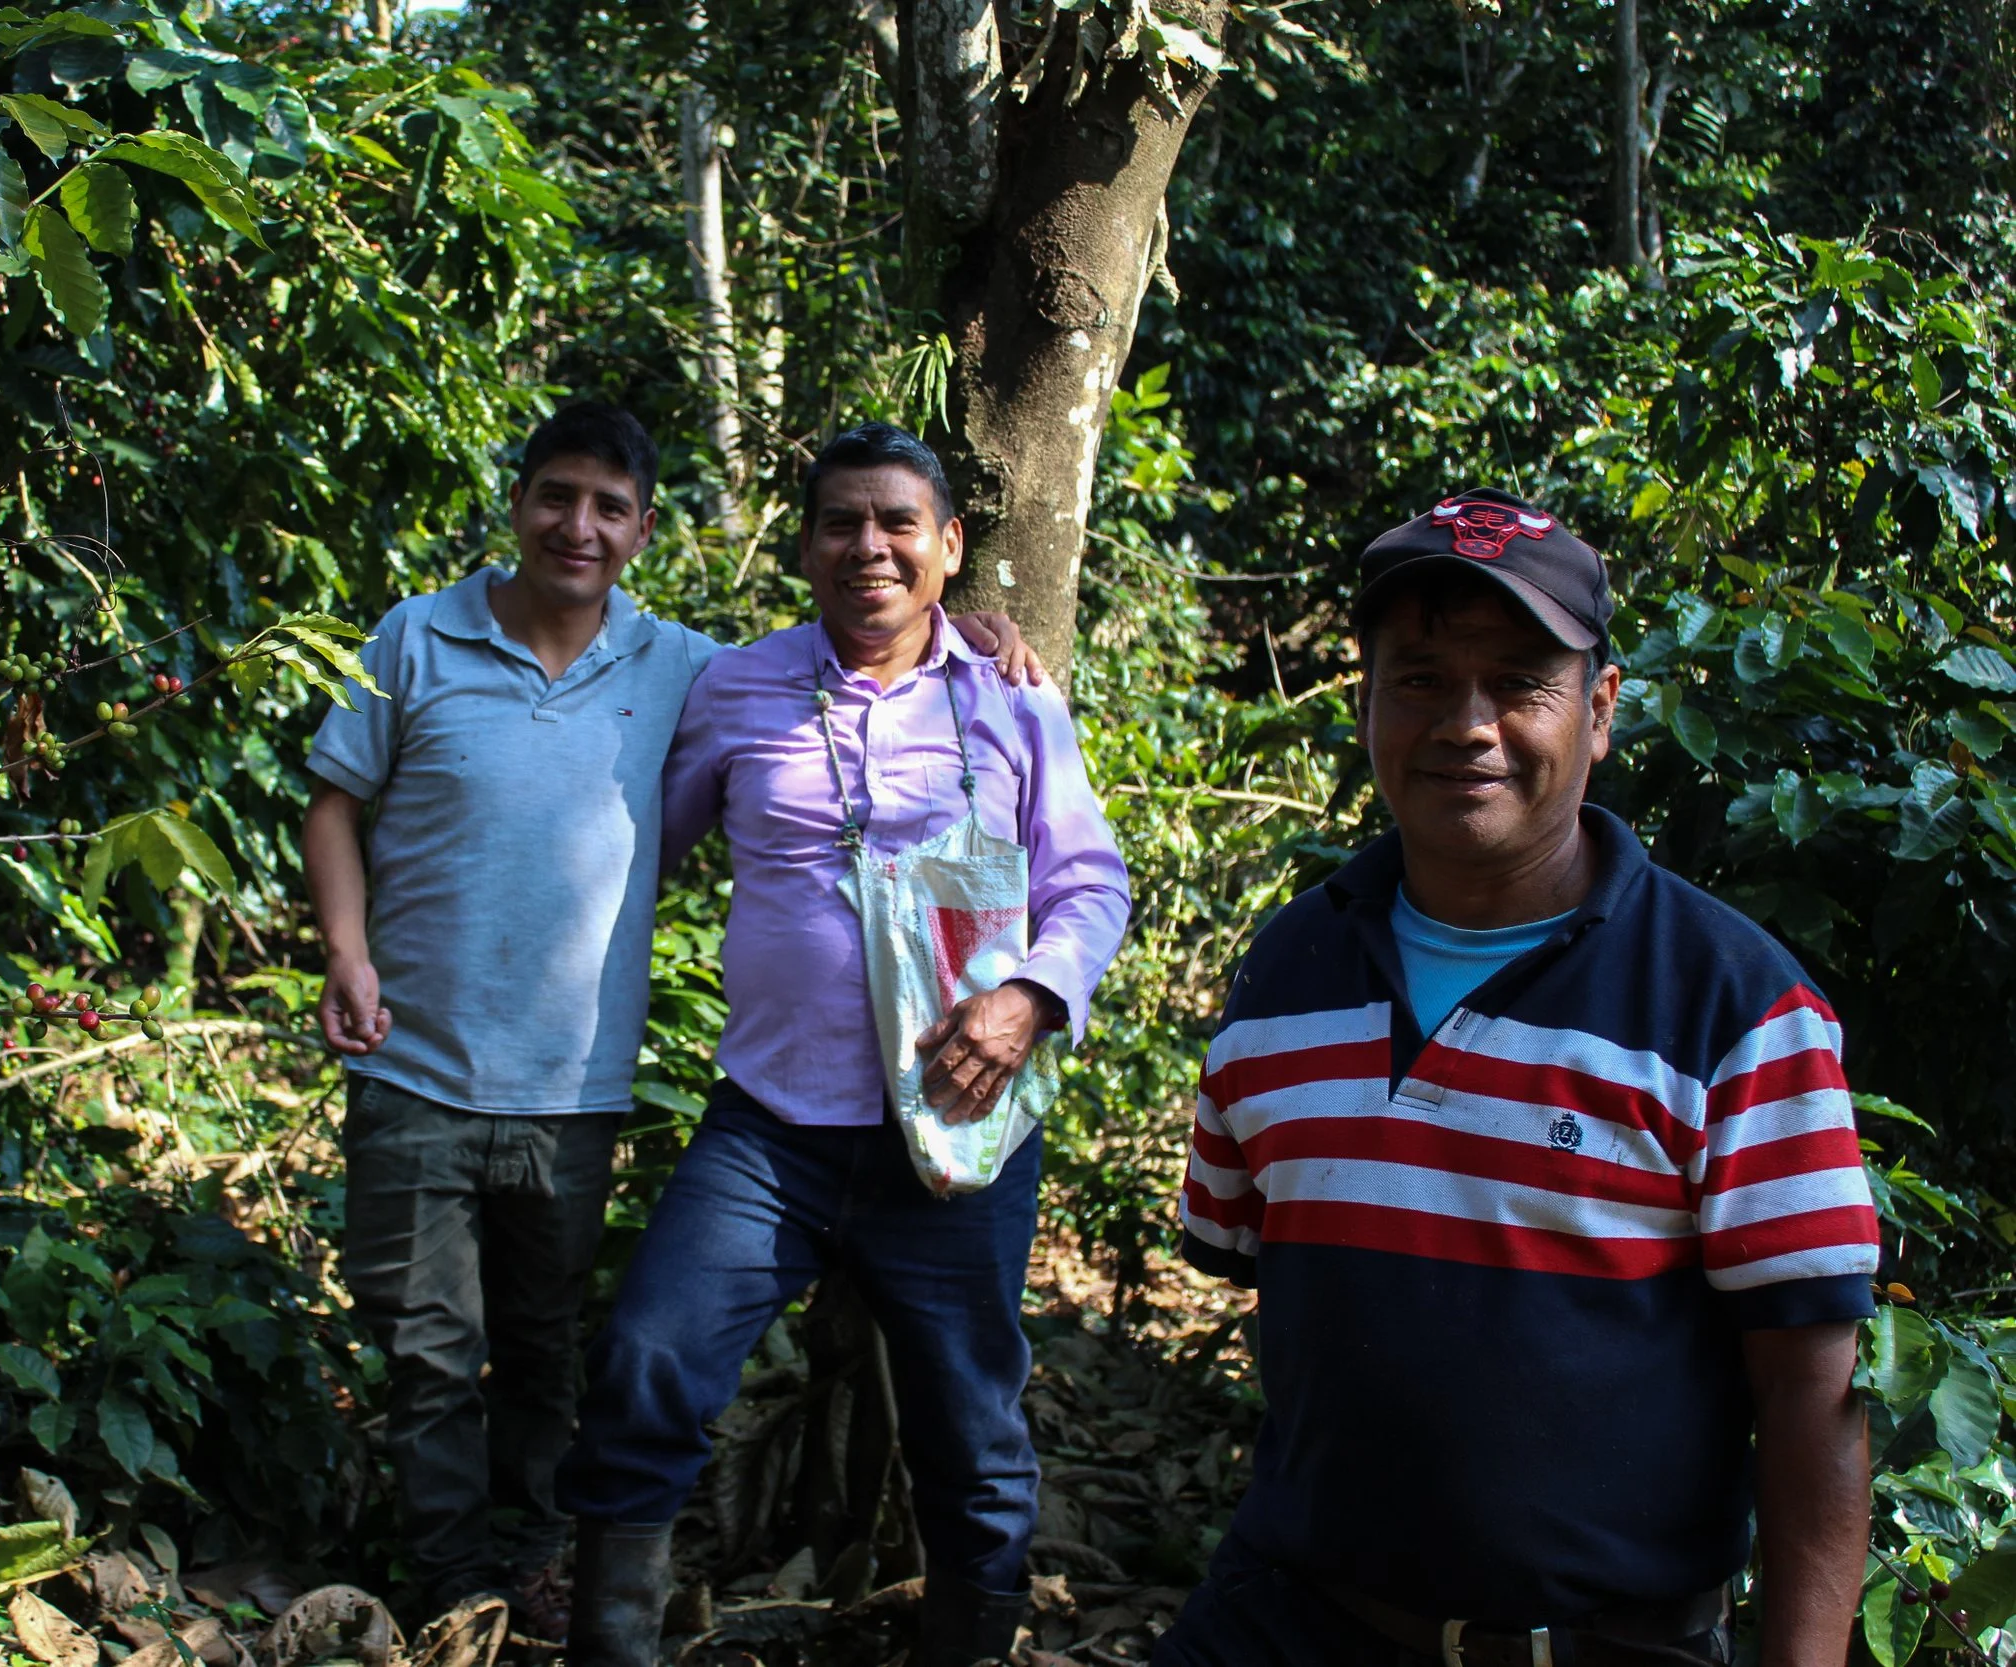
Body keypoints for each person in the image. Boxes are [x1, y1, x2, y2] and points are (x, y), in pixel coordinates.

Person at [300, 403, 1041, 1629]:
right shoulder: (459, 640)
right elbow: (352, 797)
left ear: (644, 529)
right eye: (556, 496)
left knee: (555, 1343)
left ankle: (544, 1570)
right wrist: (347, 951)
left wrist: (967, 633)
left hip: (661, 1087)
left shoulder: (698, 667)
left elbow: (874, 671)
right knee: (465, 1351)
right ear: (518, 500)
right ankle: (472, 1596)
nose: (576, 526)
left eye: (608, 506)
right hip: (482, 1065)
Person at [1154, 488, 1879, 1667]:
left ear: (1599, 712)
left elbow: (1811, 1398)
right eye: (1423, 678)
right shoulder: (1286, 971)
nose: (1467, 723)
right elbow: (1274, 1298)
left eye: (1518, 681)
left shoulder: (1734, 1005)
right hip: (1289, 1617)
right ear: (1367, 704)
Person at [554, 422, 1133, 1667]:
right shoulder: (738, 684)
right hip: (769, 1126)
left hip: (958, 1130)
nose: (867, 546)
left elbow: (1088, 883)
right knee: (649, 1358)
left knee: (970, 1428)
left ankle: (968, 1643)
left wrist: (1029, 996)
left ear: (947, 546)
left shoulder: (1012, 695)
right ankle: (609, 1643)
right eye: (838, 523)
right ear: (806, 546)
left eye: (896, 524)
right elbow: (633, 851)